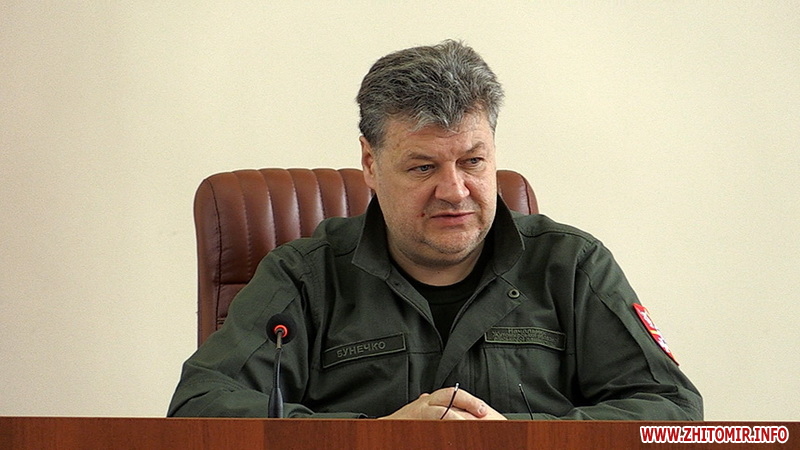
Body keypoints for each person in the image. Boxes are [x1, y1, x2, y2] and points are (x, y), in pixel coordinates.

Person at [168, 40, 703, 420]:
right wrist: (378, 439)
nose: (454, 189)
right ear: (371, 164)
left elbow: (672, 409)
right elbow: (200, 406)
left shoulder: (572, 266)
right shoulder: (304, 276)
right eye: (424, 167)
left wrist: (516, 439)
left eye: (473, 161)